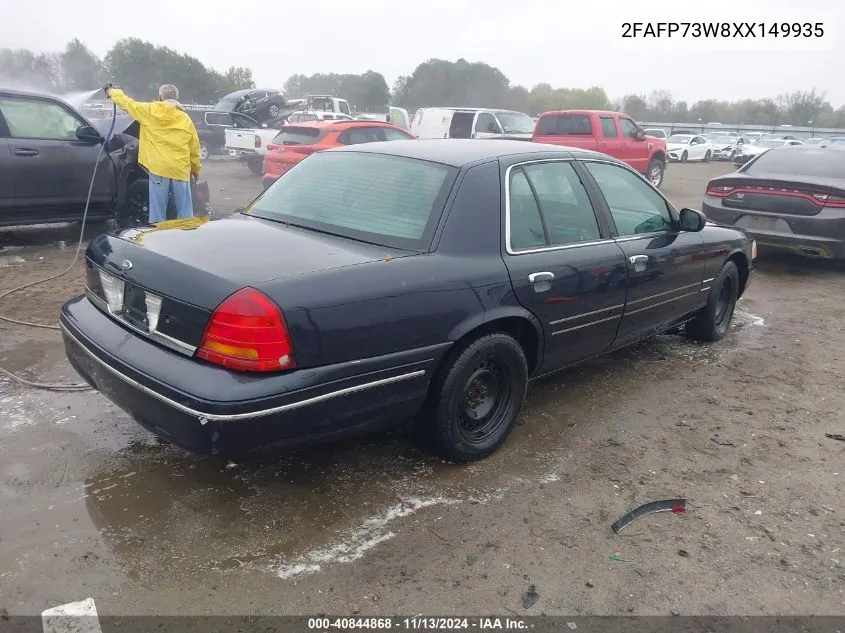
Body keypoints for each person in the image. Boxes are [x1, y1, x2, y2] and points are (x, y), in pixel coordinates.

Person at [104, 83, 201, 222]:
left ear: (160, 97)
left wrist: (111, 91)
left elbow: (127, 103)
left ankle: (157, 239)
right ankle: (186, 238)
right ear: (177, 98)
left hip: (159, 169)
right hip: (180, 170)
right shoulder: (185, 119)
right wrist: (195, 169)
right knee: (185, 213)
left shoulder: (149, 111)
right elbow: (194, 147)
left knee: (157, 213)